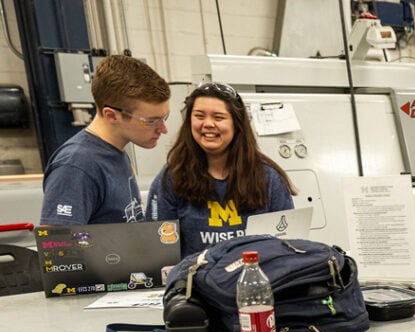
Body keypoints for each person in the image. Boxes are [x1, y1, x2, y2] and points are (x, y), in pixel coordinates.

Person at [147, 82, 295, 256]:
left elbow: (288, 246)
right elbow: (159, 252)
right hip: (195, 281)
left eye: (218, 117)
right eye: (199, 116)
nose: (208, 124)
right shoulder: (171, 178)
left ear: (236, 124)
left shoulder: (268, 178)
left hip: (255, 279)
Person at [41, 55, 170, 225]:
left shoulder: (116, 153)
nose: (163, 129)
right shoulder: (77, 165)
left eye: (164, 118)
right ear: (111, 115)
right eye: (151, 121)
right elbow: (56, 245)